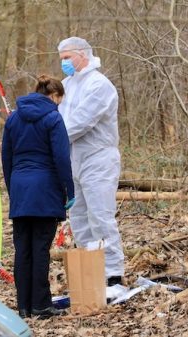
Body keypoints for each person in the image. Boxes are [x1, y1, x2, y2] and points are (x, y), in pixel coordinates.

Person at [2, 75, 75, 319]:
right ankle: (41, 306)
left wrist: (14, 189)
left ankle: (24, 305)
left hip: (21, 188)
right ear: (54, 96)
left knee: (22, 249)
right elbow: (62, 158)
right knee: (40, 249)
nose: (58, 105)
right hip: (45, 189)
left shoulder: (13, 118)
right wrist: (69, 191)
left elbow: (7, 158)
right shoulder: (53, 118)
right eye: (59, 101)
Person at [57, 37, 125, 286]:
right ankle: (90, 271)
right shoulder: (66, 85)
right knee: (79, 218)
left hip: (98, 158)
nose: (63, 63)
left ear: (82, 55)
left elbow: (81, 122)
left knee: (101, 216)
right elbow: (57, 117)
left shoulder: (99, 85)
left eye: (67, 58)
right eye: (61, 58)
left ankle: (112, 275)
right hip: (73, 158)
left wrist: (51, 137)